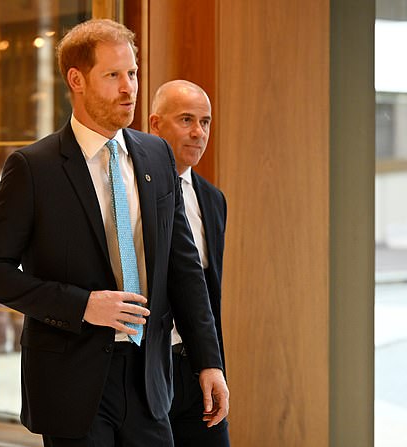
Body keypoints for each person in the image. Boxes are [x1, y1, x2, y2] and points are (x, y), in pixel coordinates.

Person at [0, 19, 228, 447]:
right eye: (113, 76)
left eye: (132, 73)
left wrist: (209, 361)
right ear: (77, 80)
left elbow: (184, 268)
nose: (129, 88)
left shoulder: (157, 155)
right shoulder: (34, 168)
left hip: (149, 381)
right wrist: (82, 305)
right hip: (71, 383)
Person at [149, 80, 230, 447]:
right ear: (155, 125)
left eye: (206, 122)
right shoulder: (132, 191)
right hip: (146, 366)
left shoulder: (213, 199)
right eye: (186, 119)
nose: (199, 132)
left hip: (196, 365)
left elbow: (207, 295)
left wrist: (213, 364)